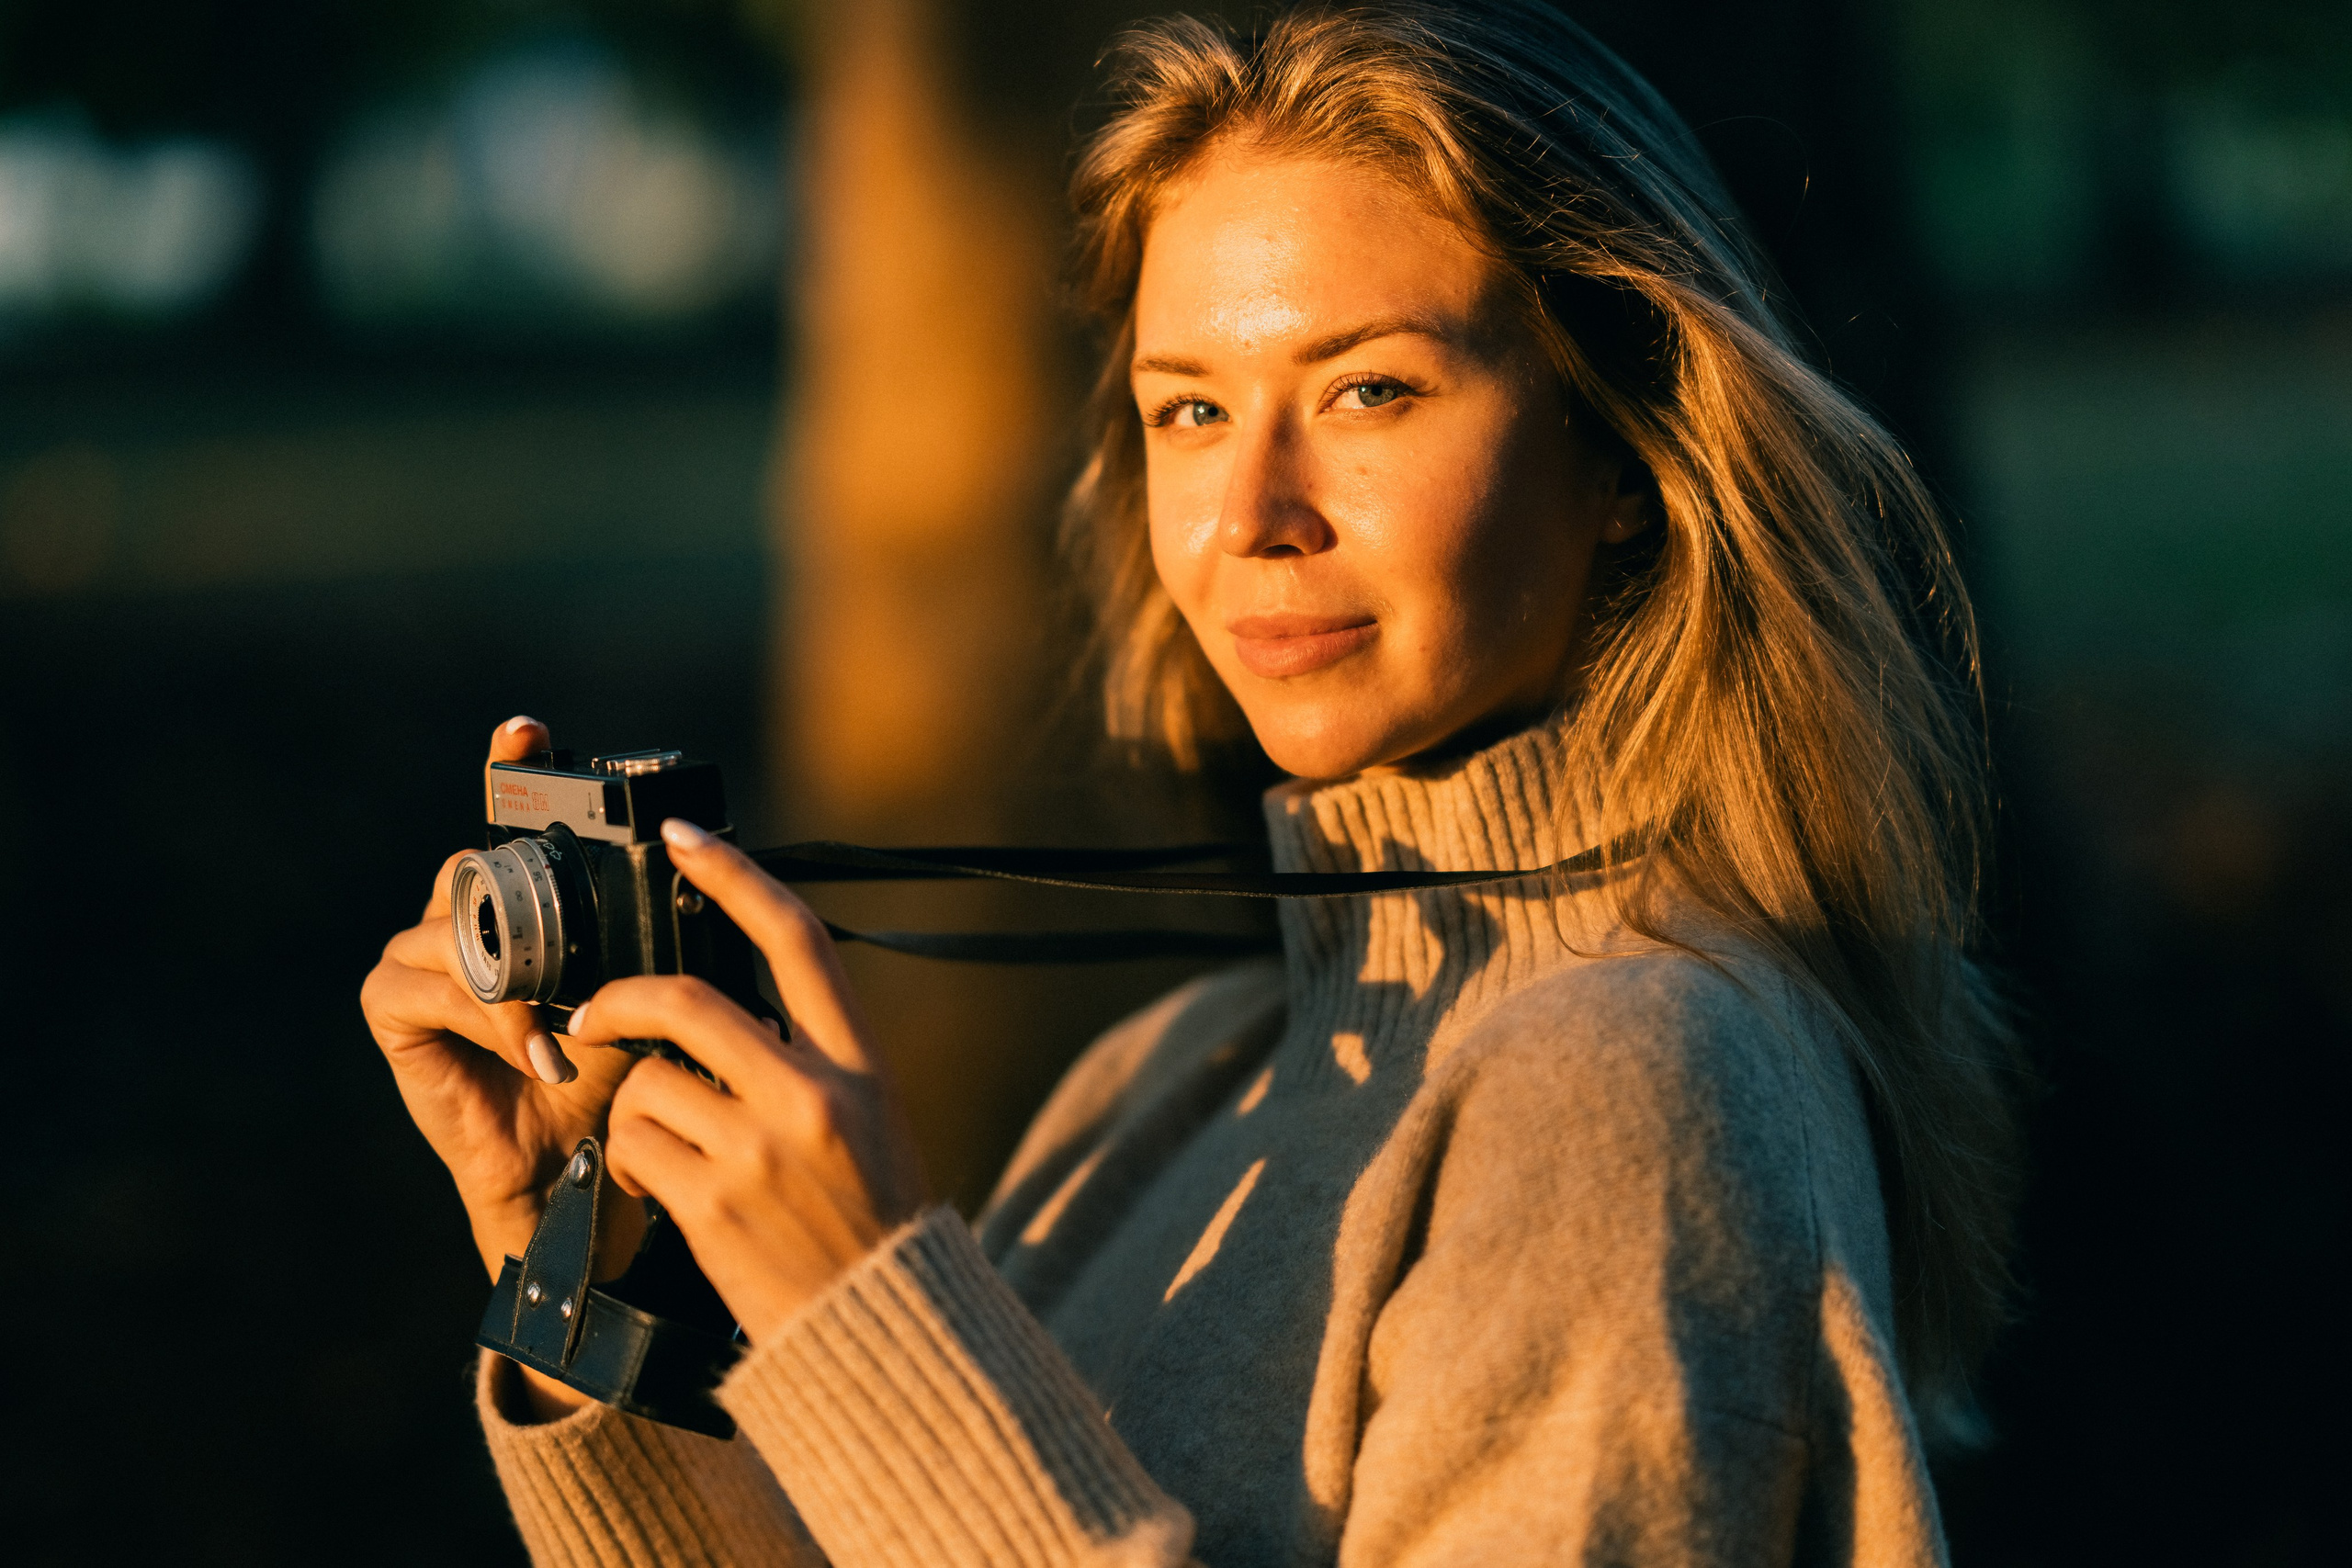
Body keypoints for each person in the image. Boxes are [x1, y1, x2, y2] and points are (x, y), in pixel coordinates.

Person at [361, 4, 2021, 1562]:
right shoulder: (1164, 1076)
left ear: (1622, 445)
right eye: (1191, 411)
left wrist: (865, 1312)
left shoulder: (1634, 1079)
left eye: (1369, 390)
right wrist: (582, 1275)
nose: (1252, 515)